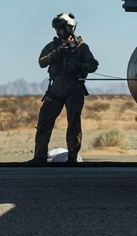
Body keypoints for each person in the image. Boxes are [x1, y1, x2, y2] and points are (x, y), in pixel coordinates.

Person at [30, 12, 99, 164]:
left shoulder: (81, 48)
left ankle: (72, 158)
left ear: (69, 28)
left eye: (61, 28)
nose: (58, 31)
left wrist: (79, 66)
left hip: (74, 88)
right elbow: (42, 62)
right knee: (44, 122)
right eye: (56, 29)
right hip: (55, 89)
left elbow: (93, 65)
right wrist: (56, 53)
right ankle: (39, 157)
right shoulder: (53, 46)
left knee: (74, 124)